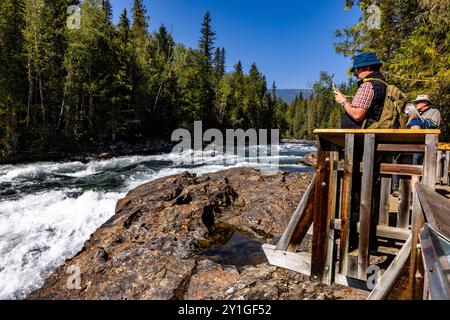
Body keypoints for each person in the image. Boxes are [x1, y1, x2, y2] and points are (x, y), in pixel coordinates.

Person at [334, 52, 387, 129]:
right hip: (367, 134)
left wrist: (343, 101)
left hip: (360, 137)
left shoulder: (368, 85)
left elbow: (357, 115)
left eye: (357, 69)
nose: (355, 74)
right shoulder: (382, 83)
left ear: (368, 67)